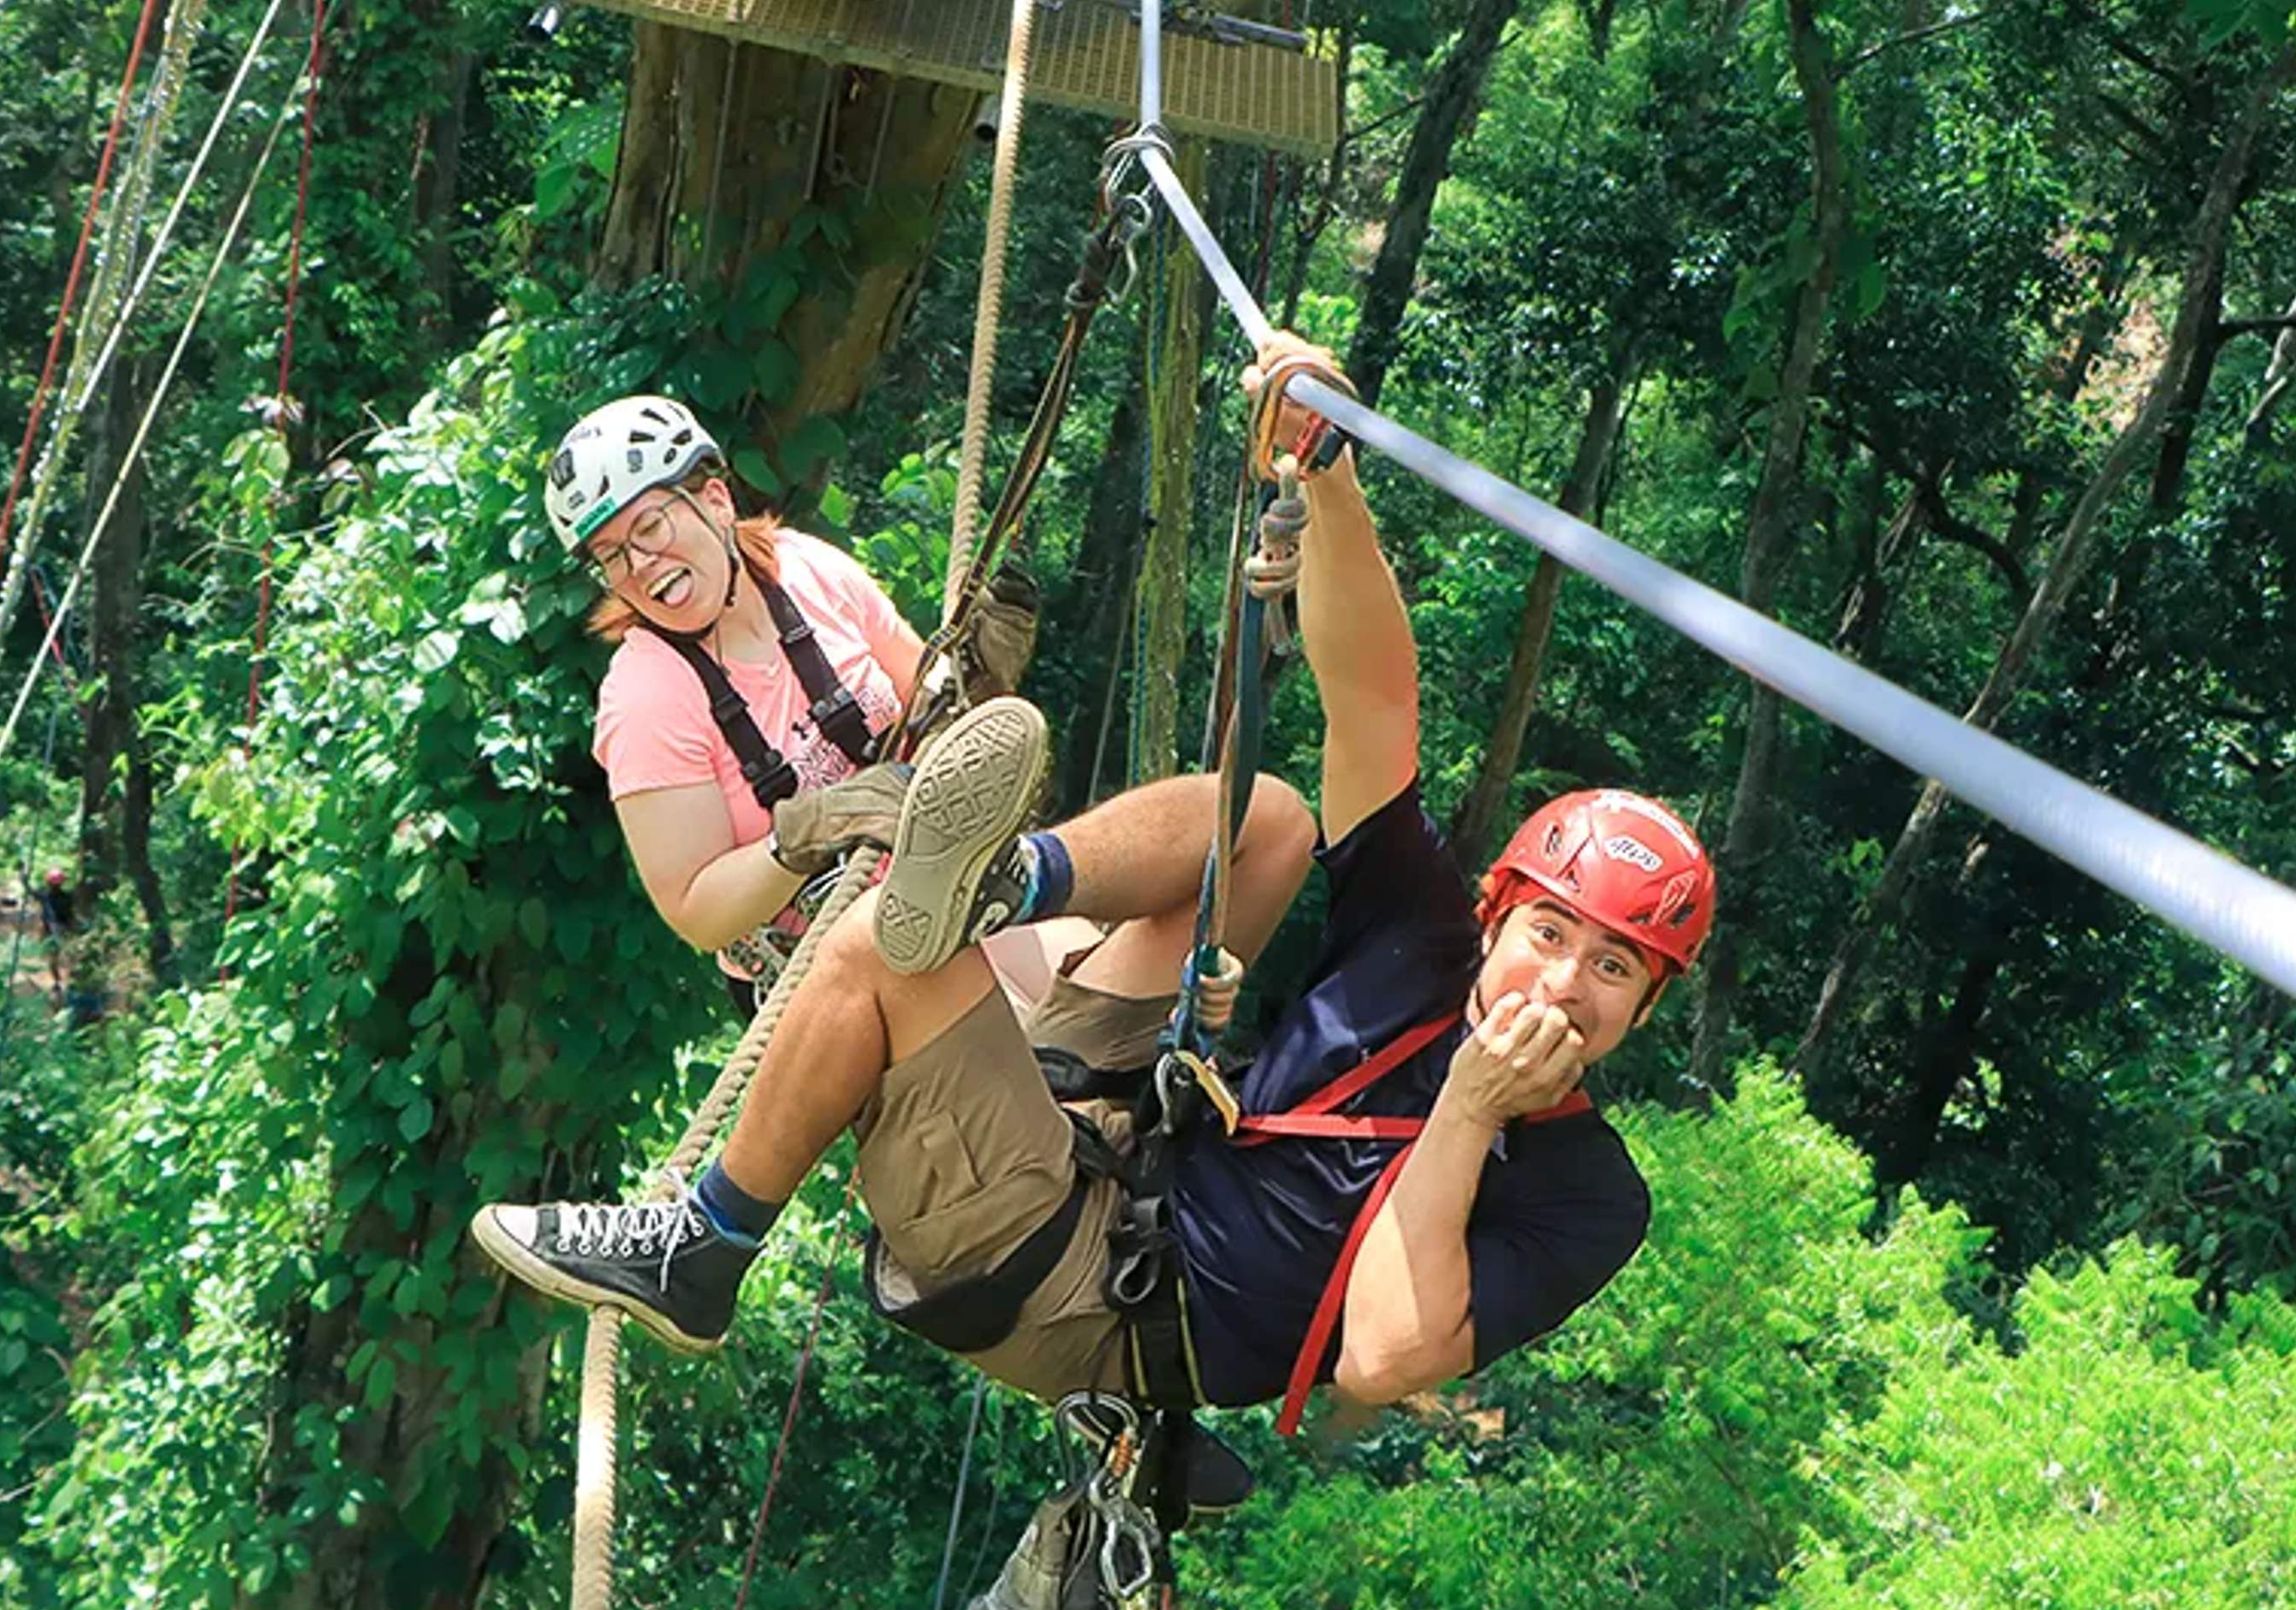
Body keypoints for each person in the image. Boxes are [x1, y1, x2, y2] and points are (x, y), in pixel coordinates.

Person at [479, 333, 1712, 1447]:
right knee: (1270, 816)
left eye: (1612, 968)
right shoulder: (1422, 941)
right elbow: (1379, 703)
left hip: (1092, 1289)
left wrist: (1476, 1107)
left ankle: (702, 1246)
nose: (1563, 981)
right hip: (1114, 1141)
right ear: (1496, 917)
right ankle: (1009, 880)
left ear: (1646, 1011)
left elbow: (1384, 1357)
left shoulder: (1589, 1190)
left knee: (878, 946)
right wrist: (1325, 473)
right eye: (1552, 932)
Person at [546, 394, 1046, 1009]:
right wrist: (809, 831)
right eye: (612, 556)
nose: (641, 565)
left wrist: (977, 686)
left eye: (649, 527)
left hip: (943, 890)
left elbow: (926, 699)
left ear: (716, 501)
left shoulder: (805, 570)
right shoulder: (645, 699)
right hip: (820, 974)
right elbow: (697, 912)